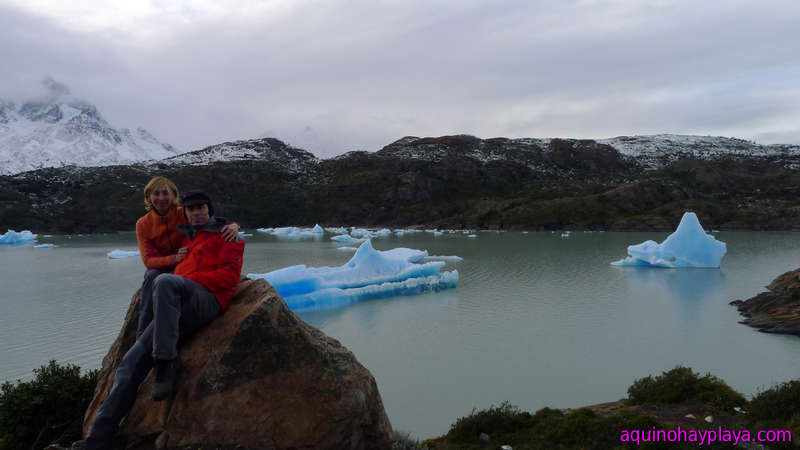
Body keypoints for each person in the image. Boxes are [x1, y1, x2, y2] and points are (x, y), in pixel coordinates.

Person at [73, 191, 245, 450]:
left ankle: (165, 362)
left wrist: (190, 280)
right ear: (185, 213)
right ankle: (99, 438)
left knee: (165, 281)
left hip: (208, 301)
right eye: (191, 209)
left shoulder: (227, 236)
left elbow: (229, 279)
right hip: (176, 310)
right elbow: (153, 254)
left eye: (201, 208)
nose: (196, 212)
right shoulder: (187, 240)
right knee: (129, 364)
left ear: (209, 210)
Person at [135, 177, 239, 338]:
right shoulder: (143, 224)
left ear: (173, 195)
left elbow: (212, 221)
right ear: (148, 197)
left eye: (165, 193)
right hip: (169, 264)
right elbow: (148, 261)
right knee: (152, 275)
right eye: (156, 194)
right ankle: (142, 333)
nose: (161, 198)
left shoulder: (183, 213)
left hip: (186, 265)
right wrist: (174, 258)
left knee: (164, 282)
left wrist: (234, 225)